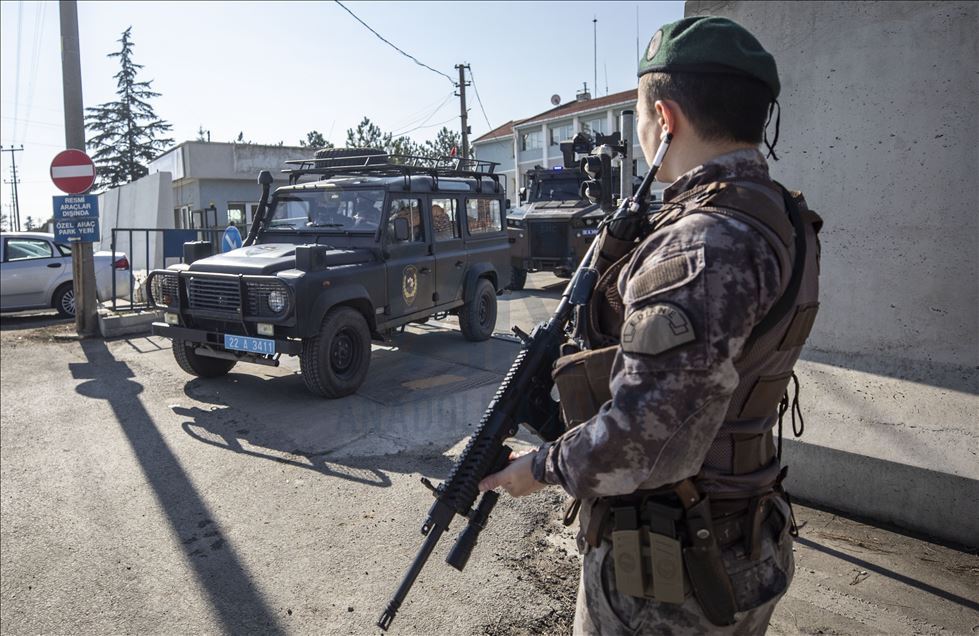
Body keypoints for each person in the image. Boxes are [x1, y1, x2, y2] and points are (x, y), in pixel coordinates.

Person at [480, 16, 822, 635]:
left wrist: (539, 469)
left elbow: (650, 442)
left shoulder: (699, 244)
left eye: (640, 119)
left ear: (664, 120)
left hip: (672, 578)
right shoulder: (781, 217)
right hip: (741, 536)